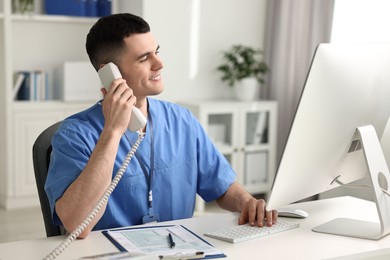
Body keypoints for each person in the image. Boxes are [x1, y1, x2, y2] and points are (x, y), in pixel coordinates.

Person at [45, 13, 278, 238]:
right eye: (144, 58)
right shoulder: (74, 134)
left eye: (156, 52)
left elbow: (222, 186)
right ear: (110, 73)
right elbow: (77, 225)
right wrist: (113, 132)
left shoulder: (182, 121)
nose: (159, 63)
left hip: (180, 250)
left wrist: (247, 202)